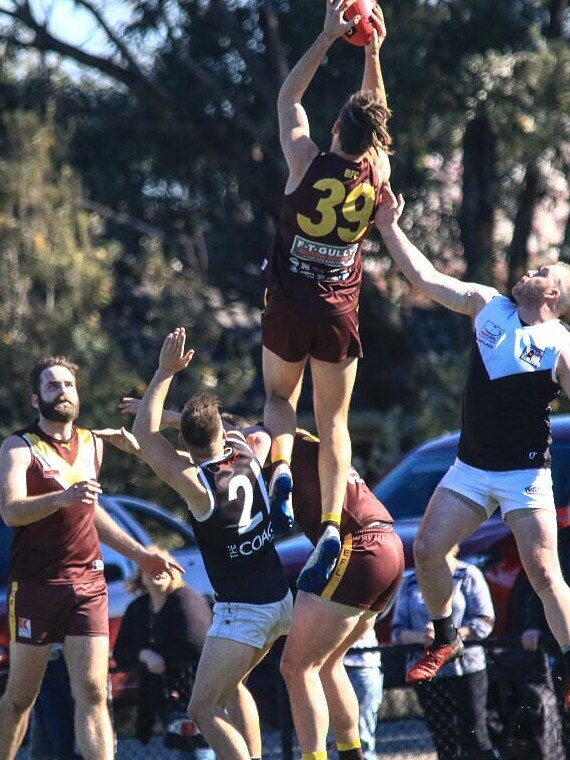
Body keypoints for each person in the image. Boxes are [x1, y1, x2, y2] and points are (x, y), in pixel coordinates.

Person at [375, 182, 570, 702]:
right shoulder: (488, 304)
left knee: (547, 576)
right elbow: (424, 276)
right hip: (471, 468)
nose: (528, 273)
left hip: (525, 476)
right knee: (429, 549)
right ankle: (445, 636)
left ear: (552, 295)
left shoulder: (560, 345)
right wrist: (388, 225)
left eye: (541, 272)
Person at [261, 0, 392, 594]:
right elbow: (378, 115)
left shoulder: (305, 159)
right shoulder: (377, 172)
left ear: (336, 128)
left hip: (289, 305)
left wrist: (324, 39)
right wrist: (372, 51)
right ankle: (335, 521)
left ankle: (283, 469)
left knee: (277, 398)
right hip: (339, 313)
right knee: (333, 420)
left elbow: (289, 98)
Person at [0, 355, 182, 760]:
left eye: (67, 384)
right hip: (37, 587)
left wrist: (142, 555)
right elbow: (11, 510)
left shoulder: (92, 443)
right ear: (35, 399)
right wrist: (63, 497)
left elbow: (92, 513)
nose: (62, 391)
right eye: (51, 386)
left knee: (95, 692)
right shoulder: (18, 446)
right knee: (20, 699)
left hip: (88, 586)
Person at [131, 327, 293, 760]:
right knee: (233, 688)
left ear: (185, 444)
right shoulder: (245, 448)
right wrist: (174, 419)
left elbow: (144, 436)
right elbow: (233, 425)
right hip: (279, 598)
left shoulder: (200, 488)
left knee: (202, 709)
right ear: (221, 433)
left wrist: (164, 373)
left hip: (243, 610)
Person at [279, 429, 404, 760]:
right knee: (328, 664)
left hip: (358, 546)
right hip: (389, 544)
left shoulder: (266, 437)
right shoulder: (304, 439)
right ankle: (353, 755)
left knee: (296, 667)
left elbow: (220, 433)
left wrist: (171, 421)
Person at [391, 546, 497, 760]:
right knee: (443, 739)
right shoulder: (412, 581)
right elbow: (398, 630)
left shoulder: (468, 575)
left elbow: (485, 622)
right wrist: (424, 637)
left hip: (467, 669)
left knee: (475, 734)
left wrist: (448, 635)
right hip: (429, 672)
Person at [113, 546, 215, 760]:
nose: (156, 571)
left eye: (163, 566)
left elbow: (197, 645)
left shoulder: (185, 601)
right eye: (149, 567)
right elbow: (121, 652)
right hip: (164, 700)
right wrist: (144, 655)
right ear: (140, 574)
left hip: (197, 692)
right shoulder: (138, 608)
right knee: (181, 751)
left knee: (198, 752)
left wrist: (162, 658)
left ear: (174, 570)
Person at [343, 625, 383, 760]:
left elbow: (363, 627)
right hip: (327, 668)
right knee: (331, 738)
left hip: (364, 666)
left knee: (364, 736)